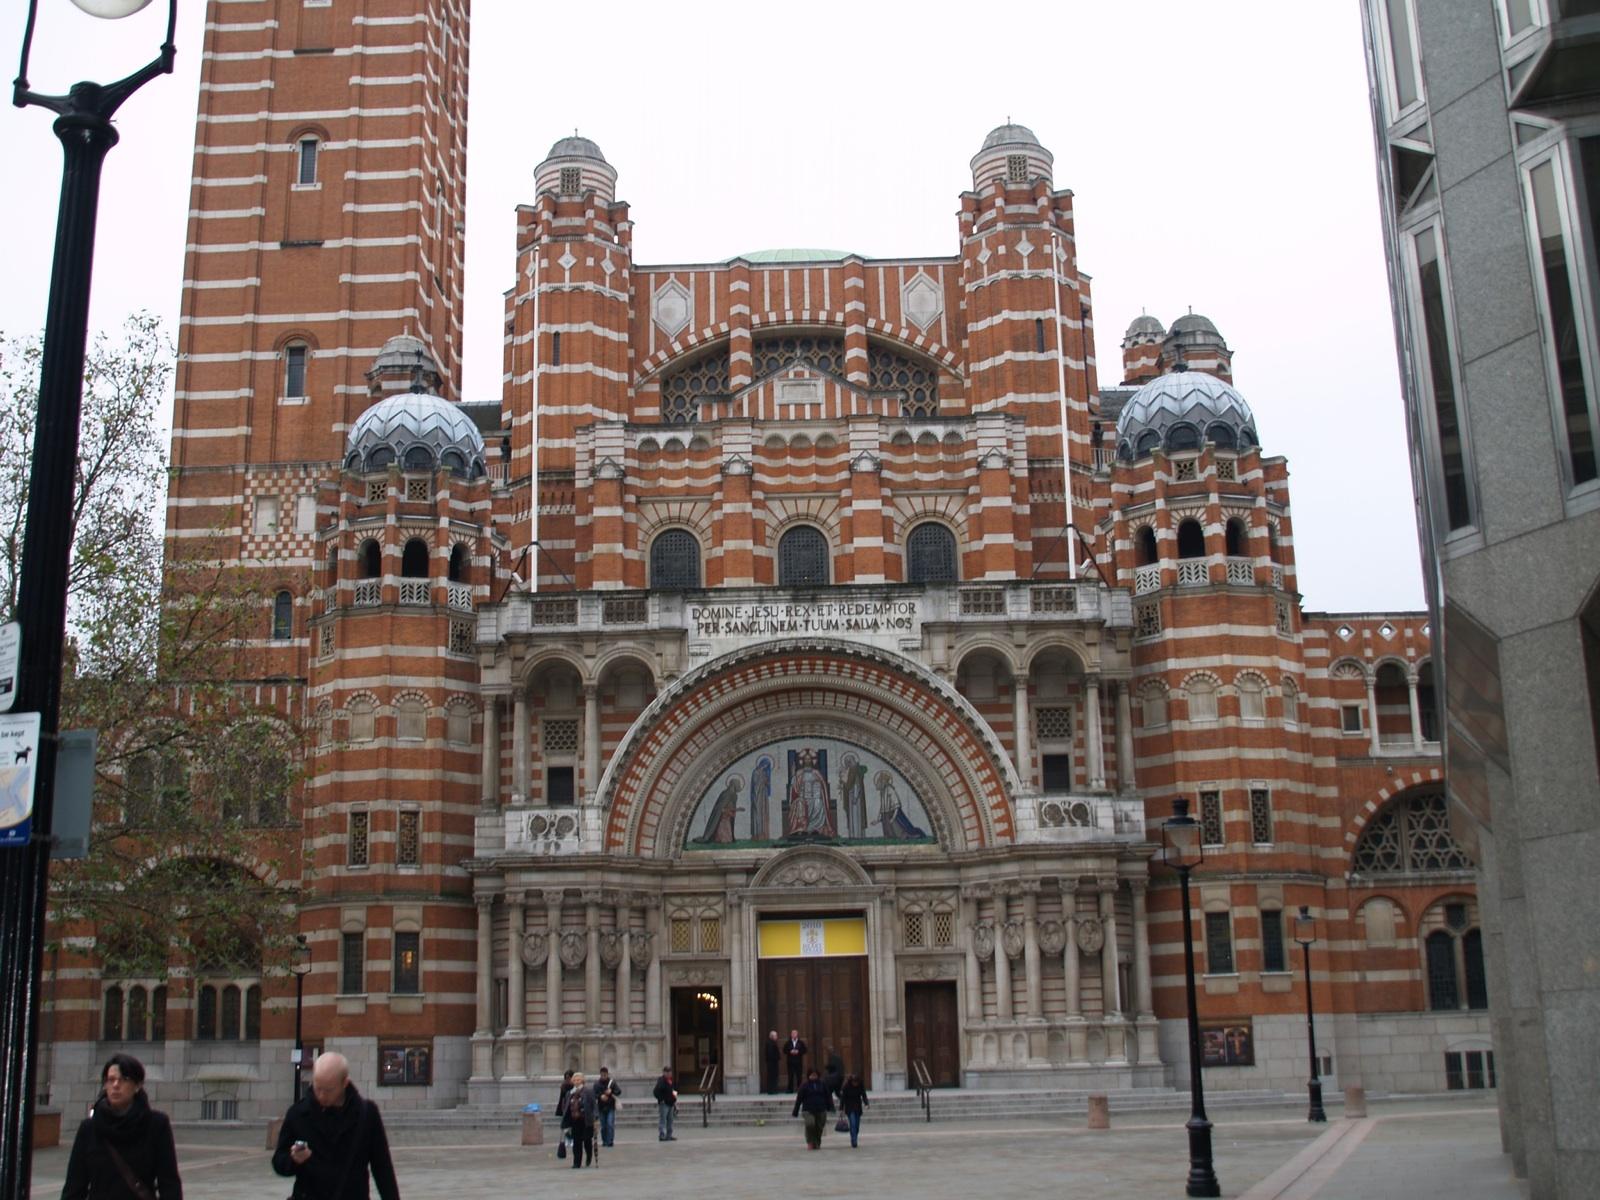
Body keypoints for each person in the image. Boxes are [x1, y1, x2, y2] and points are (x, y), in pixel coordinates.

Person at [272, 1051, 399, 1200]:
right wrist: (294, 1160)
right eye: (318, 1087)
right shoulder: (298, 1114)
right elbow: (279, 1162)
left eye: (329, 1090)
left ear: (345, 1083)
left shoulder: (366, 1114)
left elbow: (382, 1168)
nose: (322, 1095)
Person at [61, 1052, 182, 1199]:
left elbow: (169, 1184)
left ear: (137, 1086)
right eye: (111, 1080)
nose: (116, 1085)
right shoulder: (89, 1128)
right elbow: (75, 1186)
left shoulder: (156, 1125)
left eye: (124, 1079)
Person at [791, 1068, 834, 1151]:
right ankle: (810, 1142)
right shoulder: (804, 1085)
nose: (813, 1076)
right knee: (810, 1124)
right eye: (811, 1075)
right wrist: (795, 1111)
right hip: (808, 1109)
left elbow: (828, 1096)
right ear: (808, 1075)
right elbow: (799, 1099)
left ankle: (817, 1142)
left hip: (820, 1108)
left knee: (819, 1126)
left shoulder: (822, 1084)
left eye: (815, 1075)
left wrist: (830, 1107)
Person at [564, 1072, 596, 1168]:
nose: (576, 1081)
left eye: (578, 1080)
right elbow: (566, 1107)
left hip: (586, 1119)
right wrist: (566, 1120)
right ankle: (576, 1162)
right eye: (575, 1080)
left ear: (582, 1080)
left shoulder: (588, 1091)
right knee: (576, 1142)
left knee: (587, 1140)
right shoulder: (570, 1093)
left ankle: (589, 1155)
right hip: (574, 1120)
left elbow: (593, 1105)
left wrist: (596, 1118)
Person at [838, 1074, 869, 1149]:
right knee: (853, 1123)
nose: (855, 1084)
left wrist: (866, 1104)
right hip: (849, 1108)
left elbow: (864, 1095)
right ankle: (854, 1141)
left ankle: (854, 1136)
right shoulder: (846, 1087)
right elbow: (843, 1099)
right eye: (854, 1082)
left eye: (856, 1082)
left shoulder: (860, 1086)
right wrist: (841, 1109)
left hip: (858, 1107)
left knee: (857, 1125)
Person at [594, 1067, 622, 1149]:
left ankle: (610, 1141)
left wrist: (611, 1092)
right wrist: (600, 1096)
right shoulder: (597, 1084)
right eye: (602, 1075)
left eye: (605, 1075)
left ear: (607, 1074)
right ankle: (604, 1141)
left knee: (610, 1124)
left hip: (610, 1107)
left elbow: (619, 1091)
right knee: (603, 1126)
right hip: (601, 1107)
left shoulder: (612, 1083)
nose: (604, 1076)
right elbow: (594, 1094)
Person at [652, 1066, 678, 1142]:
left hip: (671, 1103)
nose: (669, 1074)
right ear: (664, 1073)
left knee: (670, 1120)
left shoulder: (671, 1081)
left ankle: (669, 1135)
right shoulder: (661, 1081)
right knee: (663, 1119)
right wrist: (661, 1100)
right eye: (668, 1072)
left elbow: (674, 1091)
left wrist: (675, 1101)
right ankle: (662, 1135)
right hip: (664, 1104)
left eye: (670, 1072)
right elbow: (656, 1092)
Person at [555, 1068, 576, 1159]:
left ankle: (571, 1139)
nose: (568, 1079)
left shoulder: (574, 1086)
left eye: (569, 1077)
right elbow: (562, 1098)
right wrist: (562, 1109)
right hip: (565, 1108)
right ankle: (568, 1138)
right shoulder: (563, 1086)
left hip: (573, 1108)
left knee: (572, 1125)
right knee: (565, 1126)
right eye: (566, 1077)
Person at [763, 1030, 782, 1095]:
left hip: (772, 1062)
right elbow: (771, 1054)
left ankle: (772, 1089)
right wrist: (777, 1057)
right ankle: (772, 1090)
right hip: (772, 1063)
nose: (777, 1037)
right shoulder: (770, 1043)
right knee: (772, 1076)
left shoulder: (772, 1043)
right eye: (776, 1036)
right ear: (772, 1036)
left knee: (773, 1076)